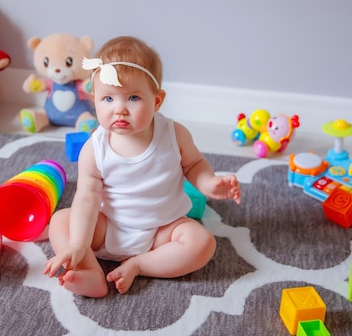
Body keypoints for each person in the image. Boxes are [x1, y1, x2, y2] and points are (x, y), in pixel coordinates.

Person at [43, 36, 241, 298]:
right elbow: (87, 198)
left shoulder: (174, 134)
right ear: (94, 99)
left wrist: (208, 183)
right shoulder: (94, 148)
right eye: (108, 99)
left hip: (161, 231)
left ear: (157, 101)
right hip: (106, 228)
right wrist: (79, 244)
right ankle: (89, 268)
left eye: (133, 97)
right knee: (60, 221)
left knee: (202, 243)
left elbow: (193, 164)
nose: (120, 109)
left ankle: (139, 265)